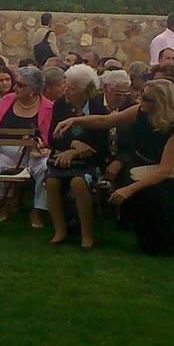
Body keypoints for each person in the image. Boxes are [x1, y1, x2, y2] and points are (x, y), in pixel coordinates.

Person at [54, 79, 174, 256]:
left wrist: (129, 189)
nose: (141, 101)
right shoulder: (138, 111)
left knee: (151, 195)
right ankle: (148, 240)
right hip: (144, 167)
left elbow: (165, 170)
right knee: (138, 194)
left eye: (147, 99)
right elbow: (104, 120)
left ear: (160, 102)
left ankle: (163, 245)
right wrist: (74, 120)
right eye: (142, 96)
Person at [45, 64, 108, 249]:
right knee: (51, 181)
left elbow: (101, 147)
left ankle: (86, 234)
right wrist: (72, 145)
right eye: (66, 86)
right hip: (64, 161)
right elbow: (52, 138)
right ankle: (60, 230)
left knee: (78, 182)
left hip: (90, 163)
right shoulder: (61, 106)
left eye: (72, 88)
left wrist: (77, 152)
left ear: (85, 91)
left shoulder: (99, 111)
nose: (67, 92)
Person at [0, 67, 53, 227]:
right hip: (6, 152)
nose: (15, 87)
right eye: (17, 84)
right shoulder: (8, 100)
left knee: (45, 168)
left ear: (33, 90)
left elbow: (49, 138)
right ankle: (4, 204)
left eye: (21, 85)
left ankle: (38, 210)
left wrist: (37, 142)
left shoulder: (48, 107)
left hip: (34, 154)